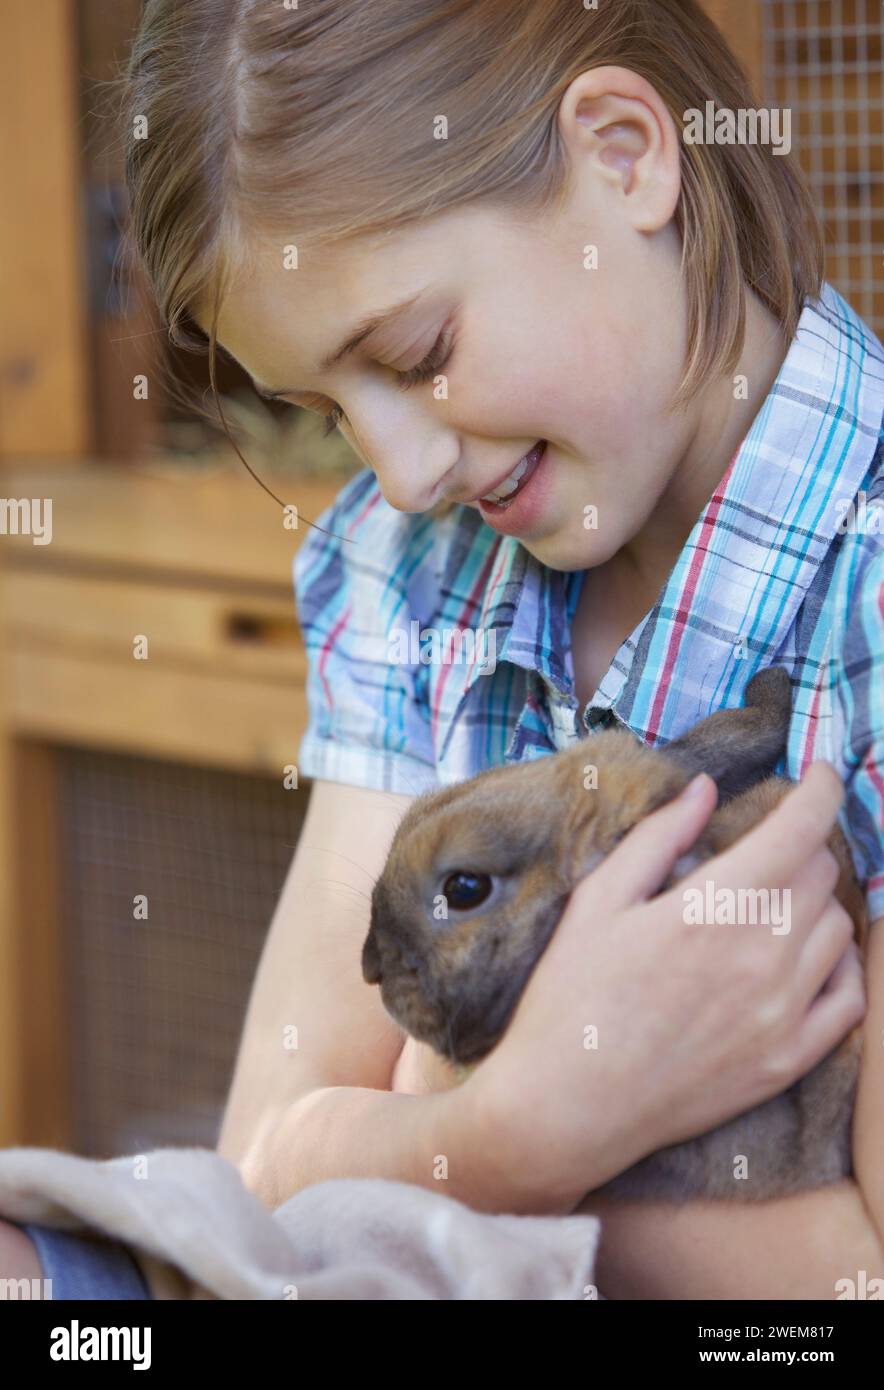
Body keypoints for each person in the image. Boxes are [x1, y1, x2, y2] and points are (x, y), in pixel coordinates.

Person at [4, 0, 880, 1299]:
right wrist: (520, 1131)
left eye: (418, 353)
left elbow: (850, 1276)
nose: (403, 474)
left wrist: (400, 1144)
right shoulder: (416, 576)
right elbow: (262, 1165)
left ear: (628, 156)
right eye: (320, 410)